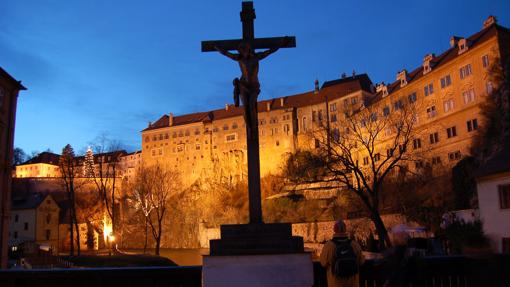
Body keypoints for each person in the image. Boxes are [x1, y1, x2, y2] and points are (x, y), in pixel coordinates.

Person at [320, 219, 364, 287]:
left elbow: (323, 263)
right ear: (345, 229)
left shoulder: (329, 246)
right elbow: (361, 261)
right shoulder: (354, 245)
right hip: (353, 284)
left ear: (334, 229)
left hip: (336, 284)